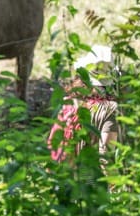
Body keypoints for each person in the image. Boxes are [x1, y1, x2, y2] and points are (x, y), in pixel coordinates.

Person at [48, 45, 120, 173]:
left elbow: (55, 146)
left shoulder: (67, 104)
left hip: (64, 180)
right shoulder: (109, 109)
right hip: (89, 184)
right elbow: (105, 157)